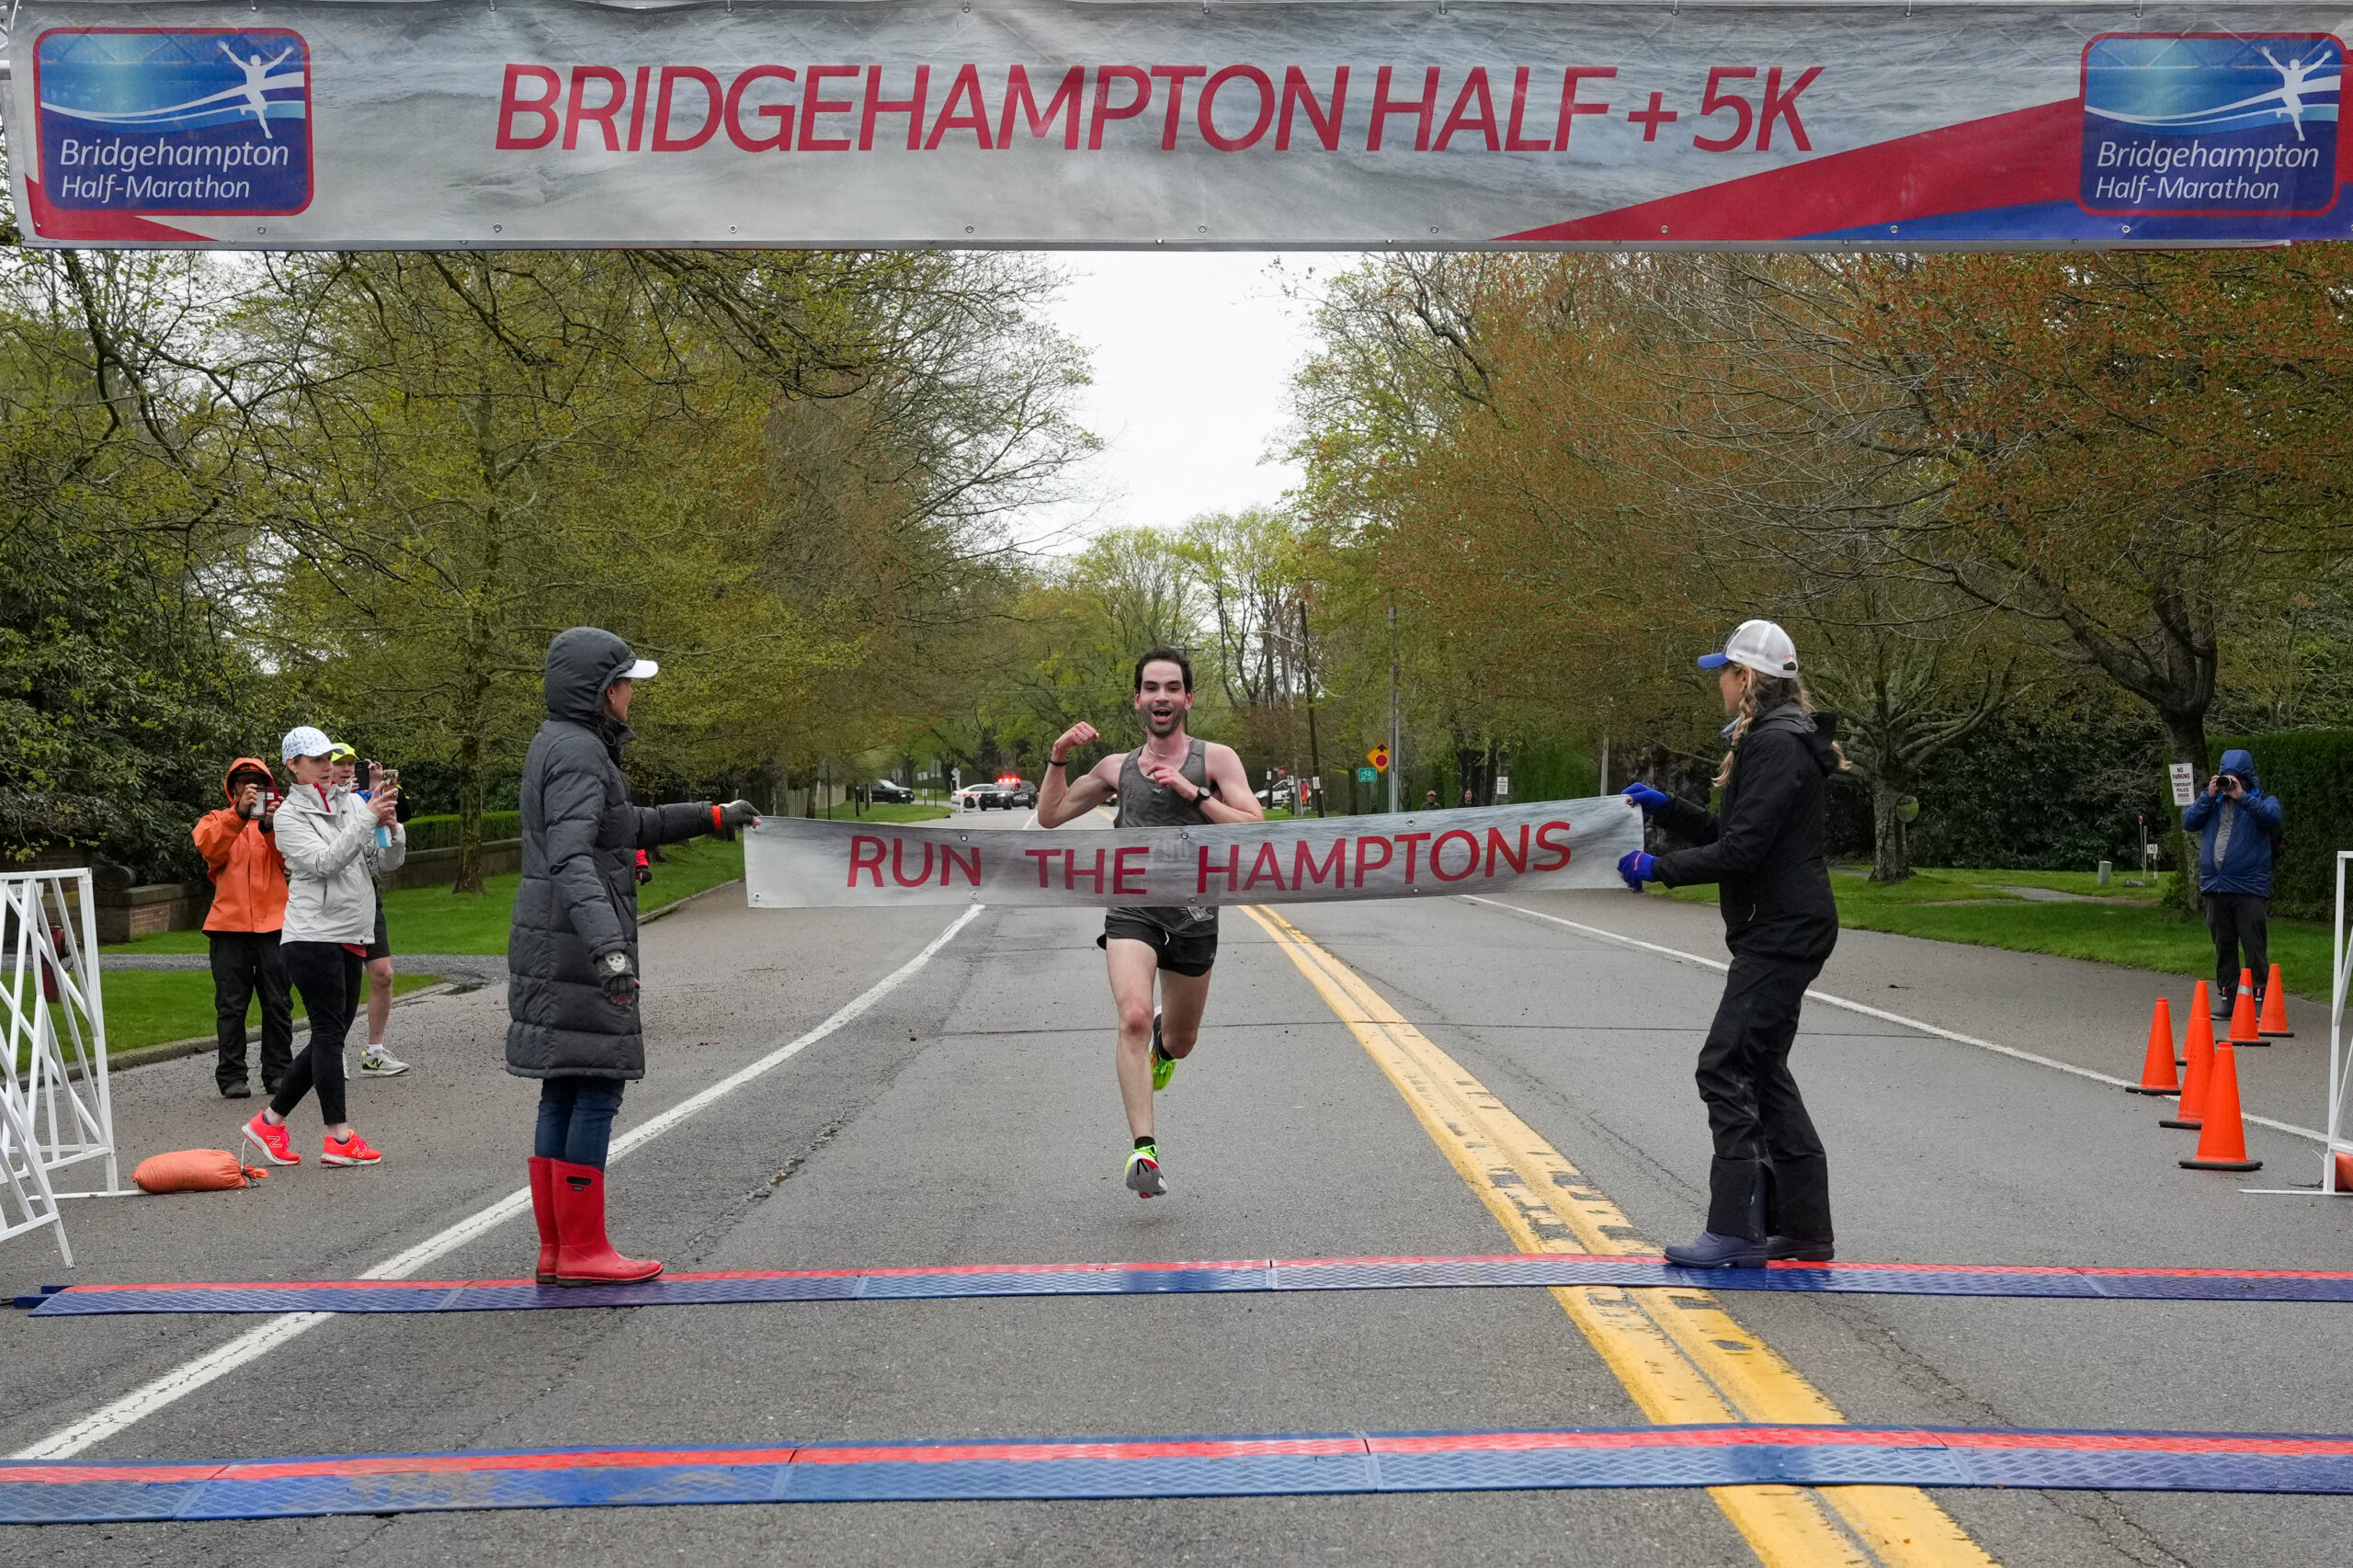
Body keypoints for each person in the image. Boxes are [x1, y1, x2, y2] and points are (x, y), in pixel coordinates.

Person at [509, 628, 760, 1284]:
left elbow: (625, 828)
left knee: (565, 1088)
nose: (630, 696)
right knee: (595, 1086)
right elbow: (569, 855)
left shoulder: (561, 744)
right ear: (601, 692)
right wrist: (609, 949)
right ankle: (584, 1250)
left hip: (554, 940)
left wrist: (711, 814)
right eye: (624, 684)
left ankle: (559, 1250)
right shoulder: (582, 753)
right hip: (577, 945)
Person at [1615, 619, 1846, 1268]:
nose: (1717, 680)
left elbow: (1743, 850)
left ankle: (1737, 1230)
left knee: (1724, 1066)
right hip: (1784, 925)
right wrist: (1667, 810)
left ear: (1746, 678)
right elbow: (1733, 829)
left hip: (1783, 929)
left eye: (1724, 670)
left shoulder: (1775, 744)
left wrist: (1659, 870)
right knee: (1762, 1070)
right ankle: (1802, 1230)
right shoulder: (1778, 739)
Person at [1036, 646, 1262, 1199]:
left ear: (1187, 697)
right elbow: (1050, 816)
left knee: (1180, 1042)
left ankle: (1163, 1046)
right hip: (1132, 909)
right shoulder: (1115, 768)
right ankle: (1145, 1150)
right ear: (1138, 699)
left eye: (1172, 688)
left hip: (1194, 915)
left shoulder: (1216, 760)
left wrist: (1195, 794)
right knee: (1132, 1017)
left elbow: (1254, 827)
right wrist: (1058, 756)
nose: (1161, 697)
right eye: (1151, 688)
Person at [241, 726, 404, 1169]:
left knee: (329, 1037)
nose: (327, 766)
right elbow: (325, 863)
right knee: (330, 1035)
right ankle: (339, 1137)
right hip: (311, 937)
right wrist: (368, 818)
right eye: (315, 760)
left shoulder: (351, 802)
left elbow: (382, 863)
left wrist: (391, 827)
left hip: (353, 932)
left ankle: (269, 1122)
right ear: (293, 766)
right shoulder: (290, 816)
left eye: (329, 757)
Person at [192, 758, 293, 1099]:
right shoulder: (216, 820)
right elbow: (209, 848)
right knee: (231, 1006)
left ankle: (279, 1072)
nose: (251, 788)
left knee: (278, 1003)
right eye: (244, 782)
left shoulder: (282, 820)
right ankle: (232, 1076)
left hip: (275, 926)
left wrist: (270, 825)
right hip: (228, 926)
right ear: (233, 787)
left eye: (258, 782)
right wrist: (238, 815)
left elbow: (291, 860)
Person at [329, 745, 413, 1076]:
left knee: (383, 974)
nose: (347, 770)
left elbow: (386, 862)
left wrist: (392, 828)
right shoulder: (324, 808)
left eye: (352, 764)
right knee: (339, 984)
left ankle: (374, 1052)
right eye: (340, 765)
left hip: (367, 900)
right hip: (334, 905)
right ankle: (331, 1051)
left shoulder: (367, 803)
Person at [2183, 748, 2283, 1021]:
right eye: (2227, 777)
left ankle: (2259, 997)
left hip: (2249, 887)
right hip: (2216, 886)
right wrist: (2209, 794)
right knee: (2224, 945)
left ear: (2247, 778)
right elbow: (2189, 822)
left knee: (2254, 944)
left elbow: (2272, 819)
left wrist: (2243, 798)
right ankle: (2228, 996)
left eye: (2236, 778)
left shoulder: (2265, 801)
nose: (2231, 783)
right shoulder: (2212, 803)